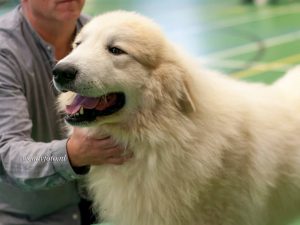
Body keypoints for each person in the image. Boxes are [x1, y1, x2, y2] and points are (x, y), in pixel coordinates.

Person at [0, 0, 129, 224]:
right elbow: (11, 157)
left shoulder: (102, 33)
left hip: (98, 204)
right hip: (29, 215)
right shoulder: (4, 54)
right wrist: (70, 155)